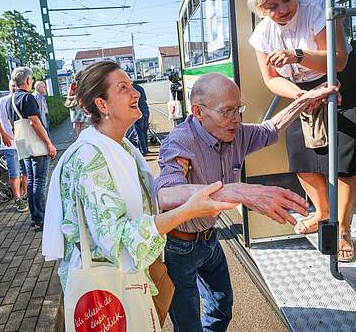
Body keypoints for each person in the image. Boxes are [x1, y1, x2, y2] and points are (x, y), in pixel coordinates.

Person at [42, 61, 237, 323]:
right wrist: (188, 210)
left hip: (125, 281)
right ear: (102, 104)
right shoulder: (90, 159)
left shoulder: (120, 146)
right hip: (109, 292)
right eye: (123, 88)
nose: (136, 93)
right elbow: (119, 242)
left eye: (132, 86)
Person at [154, 72, 337, 331]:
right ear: (198, 111)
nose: (236, 120)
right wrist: (235, 191)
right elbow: (166, 194)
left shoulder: (236, 133)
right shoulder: (181, 141)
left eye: (238, 109)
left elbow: (269, 130)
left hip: (210, 239)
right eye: (227, 111)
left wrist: (304, 100)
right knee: (188, 324)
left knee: (221, 307)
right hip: (180, 248)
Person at [247, 0, 356, 262]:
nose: (282, 8)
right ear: (260, 9)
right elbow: (271, 79)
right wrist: (300, 96)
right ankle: (322, 212)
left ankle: (344, 228)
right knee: (301, 156)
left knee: (347, 159)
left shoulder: (319, 8)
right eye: (272, 5)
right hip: (304, 90)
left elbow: (338, 60)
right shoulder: (262, 35)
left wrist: (297, 55)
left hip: (344, 80)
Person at [7, 67, 57, 232]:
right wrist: (48, 142)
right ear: (28, 81)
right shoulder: (27, 98)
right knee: (40, 182)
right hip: (35, 144)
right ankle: (42, 218)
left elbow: (12, 125)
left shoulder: (10, 100)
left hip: (22, 144)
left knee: (30, 180)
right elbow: (34, 122)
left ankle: (35, 217)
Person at [0, 80, 28, 212]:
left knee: (26, 170)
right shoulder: (2, 101)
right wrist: (2, 134)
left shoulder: (23, 100)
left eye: (16, 86)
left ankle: (25, 194)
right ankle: (18, 199)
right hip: (9, 144)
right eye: (12, 85)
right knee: (14, 173)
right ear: (9, 86)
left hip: (23, 141)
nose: (14, 88)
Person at [66, 73, 87, 138]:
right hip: (75, 106)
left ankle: (82, 137)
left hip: (82, 105)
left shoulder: (84, 85)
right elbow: (69, 96)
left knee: (83, 122)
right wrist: (77, 96)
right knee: (77, 123)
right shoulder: (73, 85)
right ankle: (78, 138)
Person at [133, 82, 150, 155]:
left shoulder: (130, 90)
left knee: (139, 133)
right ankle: (146, 148)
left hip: (138, 112)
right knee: (144, 131)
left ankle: (143, 151)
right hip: (146, 110)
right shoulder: (140, 87)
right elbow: (145, 99)